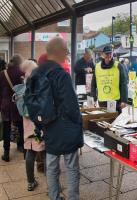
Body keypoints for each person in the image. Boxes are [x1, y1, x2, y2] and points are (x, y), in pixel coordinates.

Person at [37, 37, 83, 200]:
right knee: (71, 166)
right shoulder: (61, 75)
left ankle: (54, 197)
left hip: (49, 127)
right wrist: (78, 122)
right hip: (66, 128)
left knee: (51, 166)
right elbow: (71, 105)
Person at [20, 60, 45, 191]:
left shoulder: (23, 86)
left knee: (30, 151)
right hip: (37, 126)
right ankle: (51, 185)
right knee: (44, 152)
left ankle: (30, 182)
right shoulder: (37, 86)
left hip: (27, 126)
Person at [0, 55, 24, 162]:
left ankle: (6, 153)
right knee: (20, 125)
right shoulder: (21, 73)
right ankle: (21, 146)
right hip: (18, 103)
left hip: (5, 104)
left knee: (6, 127)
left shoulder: (2, 74)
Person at [91, 46, 128, 113]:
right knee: (105, 120)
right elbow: (93, 84)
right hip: (102, 100)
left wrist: (124, 100)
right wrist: (93, 98)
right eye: (106, 53)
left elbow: (123, 83)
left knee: (115, 120)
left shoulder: (118, 66)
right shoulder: (97, 67)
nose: (108, 55)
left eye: (110, 53)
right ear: (103, 55)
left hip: (115, 100)